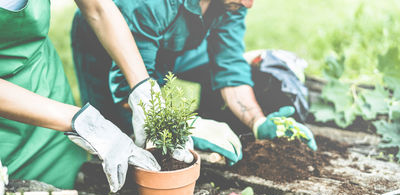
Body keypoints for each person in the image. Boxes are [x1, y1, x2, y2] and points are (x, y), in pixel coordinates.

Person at [71, 0, 317, 167]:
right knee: (116, 135)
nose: (248, 4)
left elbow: (229, 65)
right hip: (104, 43)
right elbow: (131, 94)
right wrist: (181, 125)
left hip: (172, 40)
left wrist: (257, 121)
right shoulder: (151, 4)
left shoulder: (233, 2)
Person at [0, 0, 162, 193]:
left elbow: (98, 7)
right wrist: (80, 121)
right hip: (9, 138)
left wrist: (142, 88)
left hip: (48, 100)